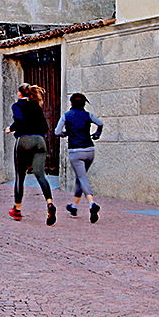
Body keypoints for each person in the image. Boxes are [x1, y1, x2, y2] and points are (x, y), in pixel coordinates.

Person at [5, 83, 56, 225]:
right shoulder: (36, 105)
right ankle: (50, 203)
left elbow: (19, 120)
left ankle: (17, 209)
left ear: (20, 93)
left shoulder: (17, 105)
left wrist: (11, 128)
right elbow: (45, 127)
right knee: (40, 175)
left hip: (24, 140)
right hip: (40, 141)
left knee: (20, 177)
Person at [55, 93, 104, 223]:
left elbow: (57, 132)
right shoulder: (88, 115)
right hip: (89, 150)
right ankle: (74, 207)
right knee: (80, 178)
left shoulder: (67, 116)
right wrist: (97, 133)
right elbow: (100, 123)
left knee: (82, 177)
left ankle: (92, 204)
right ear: (84, 103)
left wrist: (65, 133)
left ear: (71, 103)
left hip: (76, 151)